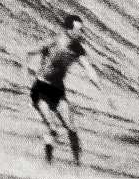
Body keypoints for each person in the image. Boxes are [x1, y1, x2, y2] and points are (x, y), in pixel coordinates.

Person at [23, 14, 104, 166]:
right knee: (52, 128)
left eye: (82, 30)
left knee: (72, 129)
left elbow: (89, 68)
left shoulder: (78, 49)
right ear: (68, 30)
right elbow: (29, 53)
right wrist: (26, 76)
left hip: (58, 91)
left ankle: (77, 167)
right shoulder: (54, 42)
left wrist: (100, 88)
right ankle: (48, 166)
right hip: (41, 89)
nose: (82, 33)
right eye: (79, 30)